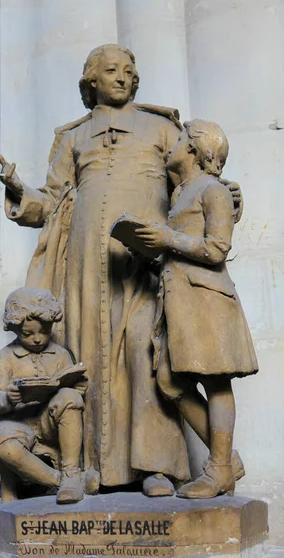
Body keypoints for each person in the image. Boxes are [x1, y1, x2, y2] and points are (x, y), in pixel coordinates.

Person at [0, 44, 242, 496]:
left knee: (147, 358)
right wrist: (15, 188)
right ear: (91, 81)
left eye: (129, 70)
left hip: (146, 261)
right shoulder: (72, 137)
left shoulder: (162, 127)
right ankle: (89, 467)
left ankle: (156, 468)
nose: (123, 78)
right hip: (87, 264)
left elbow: (195, 184)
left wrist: (225, 197)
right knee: (88, 356)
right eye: (111, 71)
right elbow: (50, 203)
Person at [135, 120, 258, 498]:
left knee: (216, 379)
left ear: (193, 148)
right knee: (170, 382)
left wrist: (168, 238)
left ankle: (218, 468)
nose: (170, 148)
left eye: (178, 140)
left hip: (208, 299)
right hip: (181, 301)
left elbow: (217, 248)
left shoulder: (212, 189)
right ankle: (225, 461)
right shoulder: (181, 193)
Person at [0, 287, 88, 504]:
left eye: (44, 332)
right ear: (15, 329)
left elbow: (68, 382)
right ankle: (59, 481)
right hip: (17, 423)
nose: (37, 339)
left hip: (48, 422)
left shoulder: (60, 354)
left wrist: (76, 387)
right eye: (28, 334)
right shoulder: (5, 357)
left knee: (70, 397)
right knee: (6, 447)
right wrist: (7, 398)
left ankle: (71, 472)